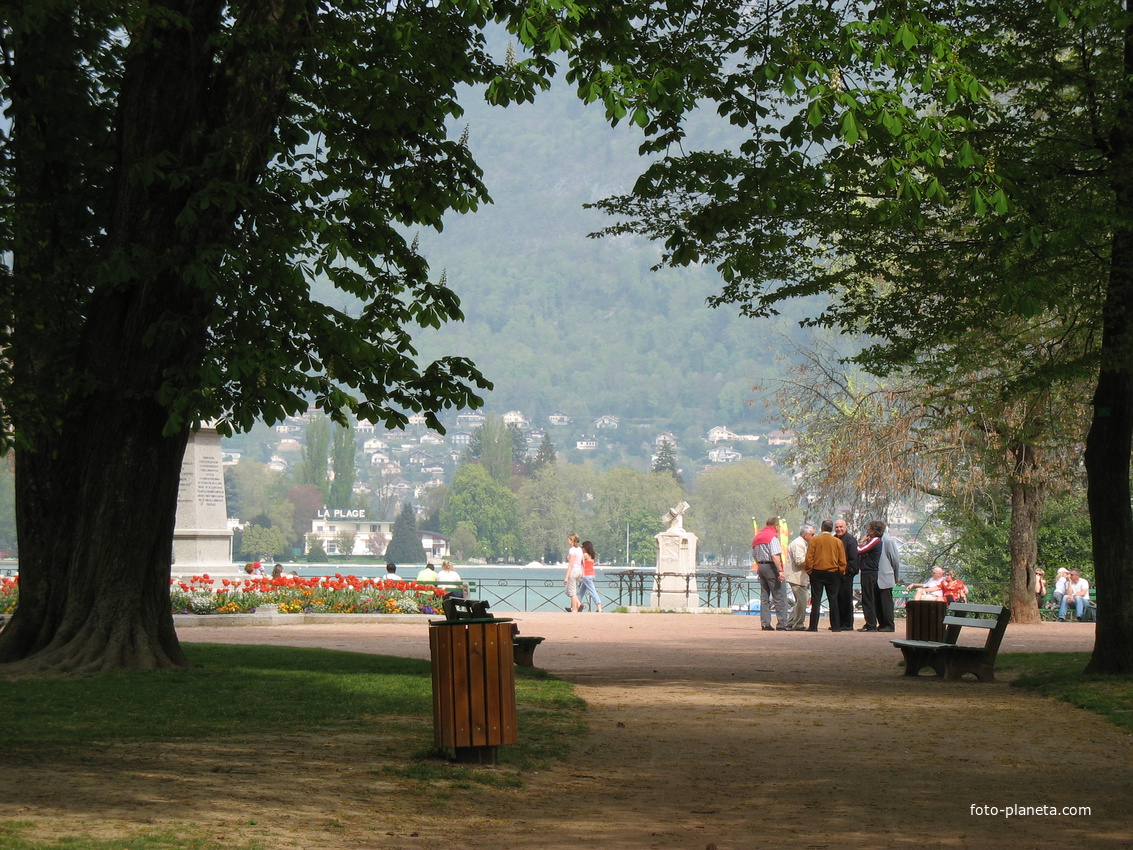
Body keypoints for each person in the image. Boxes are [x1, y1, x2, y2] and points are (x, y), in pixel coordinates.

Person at [803, 519, 847, 631]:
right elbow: (842, 560)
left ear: (822, 528)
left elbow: (809, 558)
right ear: (831, 528)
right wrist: (841, 571)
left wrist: (809, 571)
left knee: (816, 600)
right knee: (833, 600)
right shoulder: (837, 542)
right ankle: (836, 626)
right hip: (833, 573)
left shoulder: (814, 540)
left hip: (817, 572)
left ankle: (813, 626)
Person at [752, 515, 790, 631]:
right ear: (776, 526)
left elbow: (754, 554)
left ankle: (765, 623)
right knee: (780, 596)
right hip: (771, 566)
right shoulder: (772, 537)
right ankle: (782, 624)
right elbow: (775, 555)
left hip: (761, 566)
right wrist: (780, 570)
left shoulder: (757, 537)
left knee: (764, 597)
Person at [855, 521, 884, 631]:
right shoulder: (873, 540)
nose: (867, 531)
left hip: (869, 571)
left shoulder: (875, 540)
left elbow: (860, 550)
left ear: (874, 531)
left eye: (869, 529)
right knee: (867, 597)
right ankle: (869, 622)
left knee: (868, 598)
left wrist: (861, 542)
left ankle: (871, 624)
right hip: (867, 571)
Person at [784, 524, 814, 631]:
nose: (813, 536)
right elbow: (799, 560)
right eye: (812, 534)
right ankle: (798, 624)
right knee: (803, 600)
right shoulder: (798, 544)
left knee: (800, 601)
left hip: (799, 577)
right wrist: (812, 559)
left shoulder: (802, 543)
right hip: (796, 577)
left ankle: (791, 622)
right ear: (806, 535)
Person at [833, 519, 859, 631]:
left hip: (847, 574)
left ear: (846, 527)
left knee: (846, 599)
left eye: (841, 527)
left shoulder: (850, 540)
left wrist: (848, 572)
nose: (839, 529)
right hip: (836, 574)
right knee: (837, 599)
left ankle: (847, 624)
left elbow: (854, 559)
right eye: (837, 527)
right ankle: (838, 623)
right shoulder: (834, 539)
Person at [876, 523, 901, 632]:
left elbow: (894, 560)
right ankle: (881, 623)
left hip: (886, 575)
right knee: (878, 601)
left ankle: (889, 624)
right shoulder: (876, 540)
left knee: (886, 601)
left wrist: (896, 574)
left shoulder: (888, 541)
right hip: (877, 576)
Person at [578, 540, 603, 612]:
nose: (582, 548)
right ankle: (576, 605)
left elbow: (579, 561)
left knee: (592, 591)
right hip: (591, 574)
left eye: (583, 547)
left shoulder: (585, 555)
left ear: (585, 547)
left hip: (587, 575)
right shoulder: (592, 555)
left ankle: (599, 607)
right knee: (581, 592)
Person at [564, 533, 584, 613]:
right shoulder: (579, 549)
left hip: (574, 571)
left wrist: (566, 577)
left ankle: (574, 609)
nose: (567, 541)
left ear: (572, 540)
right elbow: (582, 561)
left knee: (572, 592)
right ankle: (578, 603)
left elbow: (571, 564)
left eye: (568, 539)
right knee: (568, 590)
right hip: (579, 570)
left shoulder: (572, 550)